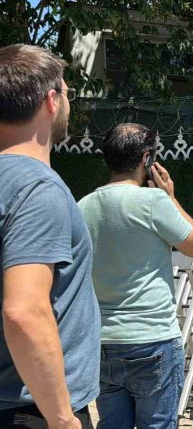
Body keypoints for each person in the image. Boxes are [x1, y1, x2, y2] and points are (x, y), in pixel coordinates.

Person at [78, 123, 193, 429]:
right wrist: (170, 196)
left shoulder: (83, 206)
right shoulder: (153, 202)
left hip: (103, 340)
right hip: (152, 337)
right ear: (146, 158)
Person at [0, 44, 100, 429]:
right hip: (32, 411)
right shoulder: (37, 188)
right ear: (51, 100)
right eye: (68, 92)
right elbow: (24, 311)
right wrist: (63, 418)